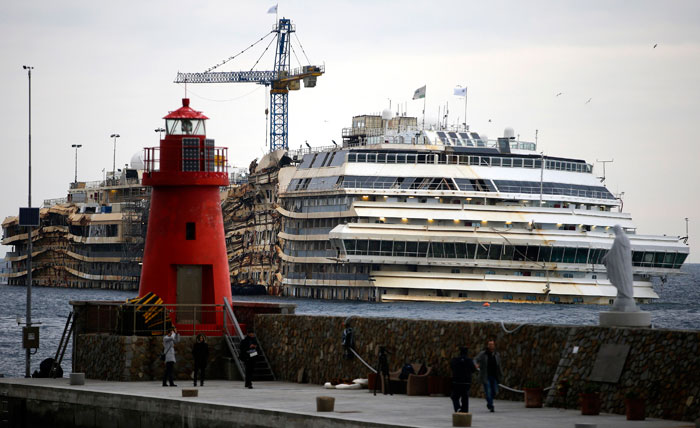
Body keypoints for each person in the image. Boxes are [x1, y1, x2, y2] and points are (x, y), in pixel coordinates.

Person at [475, 339, 502, 412]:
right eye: (490, 344)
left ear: (494, 345)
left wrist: (500, 374)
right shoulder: (483, 354)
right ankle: (491, 405)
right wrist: (476, 364)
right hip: (486, 376)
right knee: (488, 391)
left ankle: (489, 400)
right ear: (487, 345)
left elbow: (499, 365)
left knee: (495, 391)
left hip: (494, 376)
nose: (491, 346)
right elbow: (476, 359)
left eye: (492, 344)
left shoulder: (497, 354)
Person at [450, 347, 476, 413]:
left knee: (454, 396)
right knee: (465, 397)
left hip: (457, 382)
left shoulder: (455, 360)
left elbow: (452, 367)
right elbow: (473, 370)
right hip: (466, 382)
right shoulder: (469, 360)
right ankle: (464, 412)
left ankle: (458, 408)